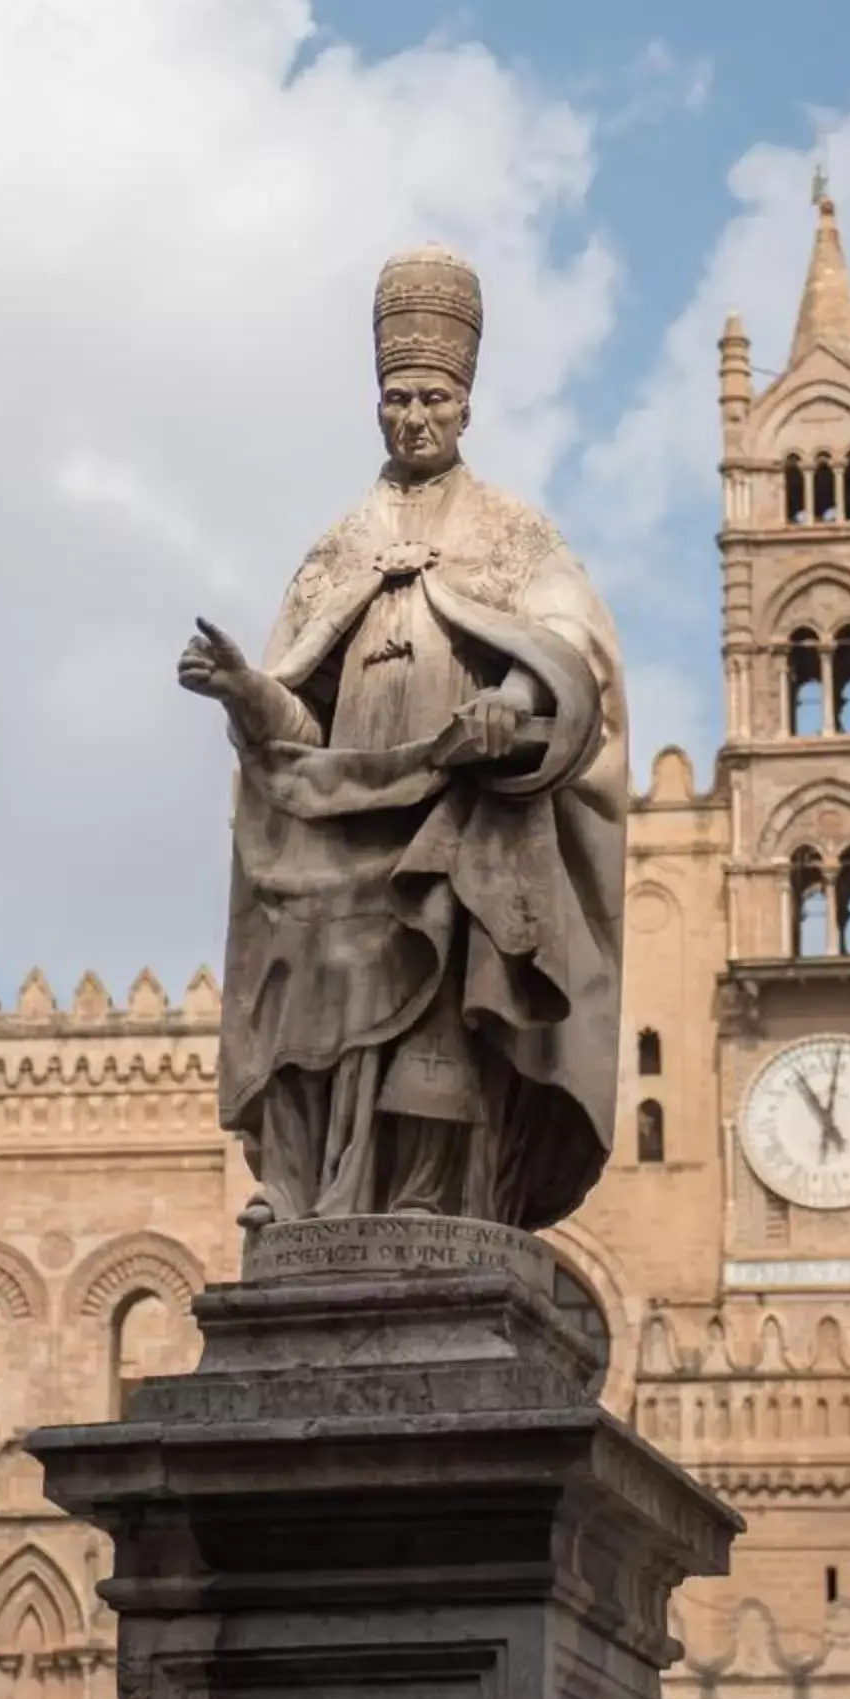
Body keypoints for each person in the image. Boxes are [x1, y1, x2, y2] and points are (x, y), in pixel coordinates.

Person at [178, 245, 626, 1230]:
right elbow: (299, 730)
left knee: (438, 1004)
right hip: (347, 828)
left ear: (464, 405)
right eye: (395, 399)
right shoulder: (337, 548)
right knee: (317, 999)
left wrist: (512, 696)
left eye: (430, 397)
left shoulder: (514, 536)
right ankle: (312, 1197)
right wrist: (248, 691)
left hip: (457, 820)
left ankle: (428, 1203)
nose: (413, 415)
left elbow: (572, 648)